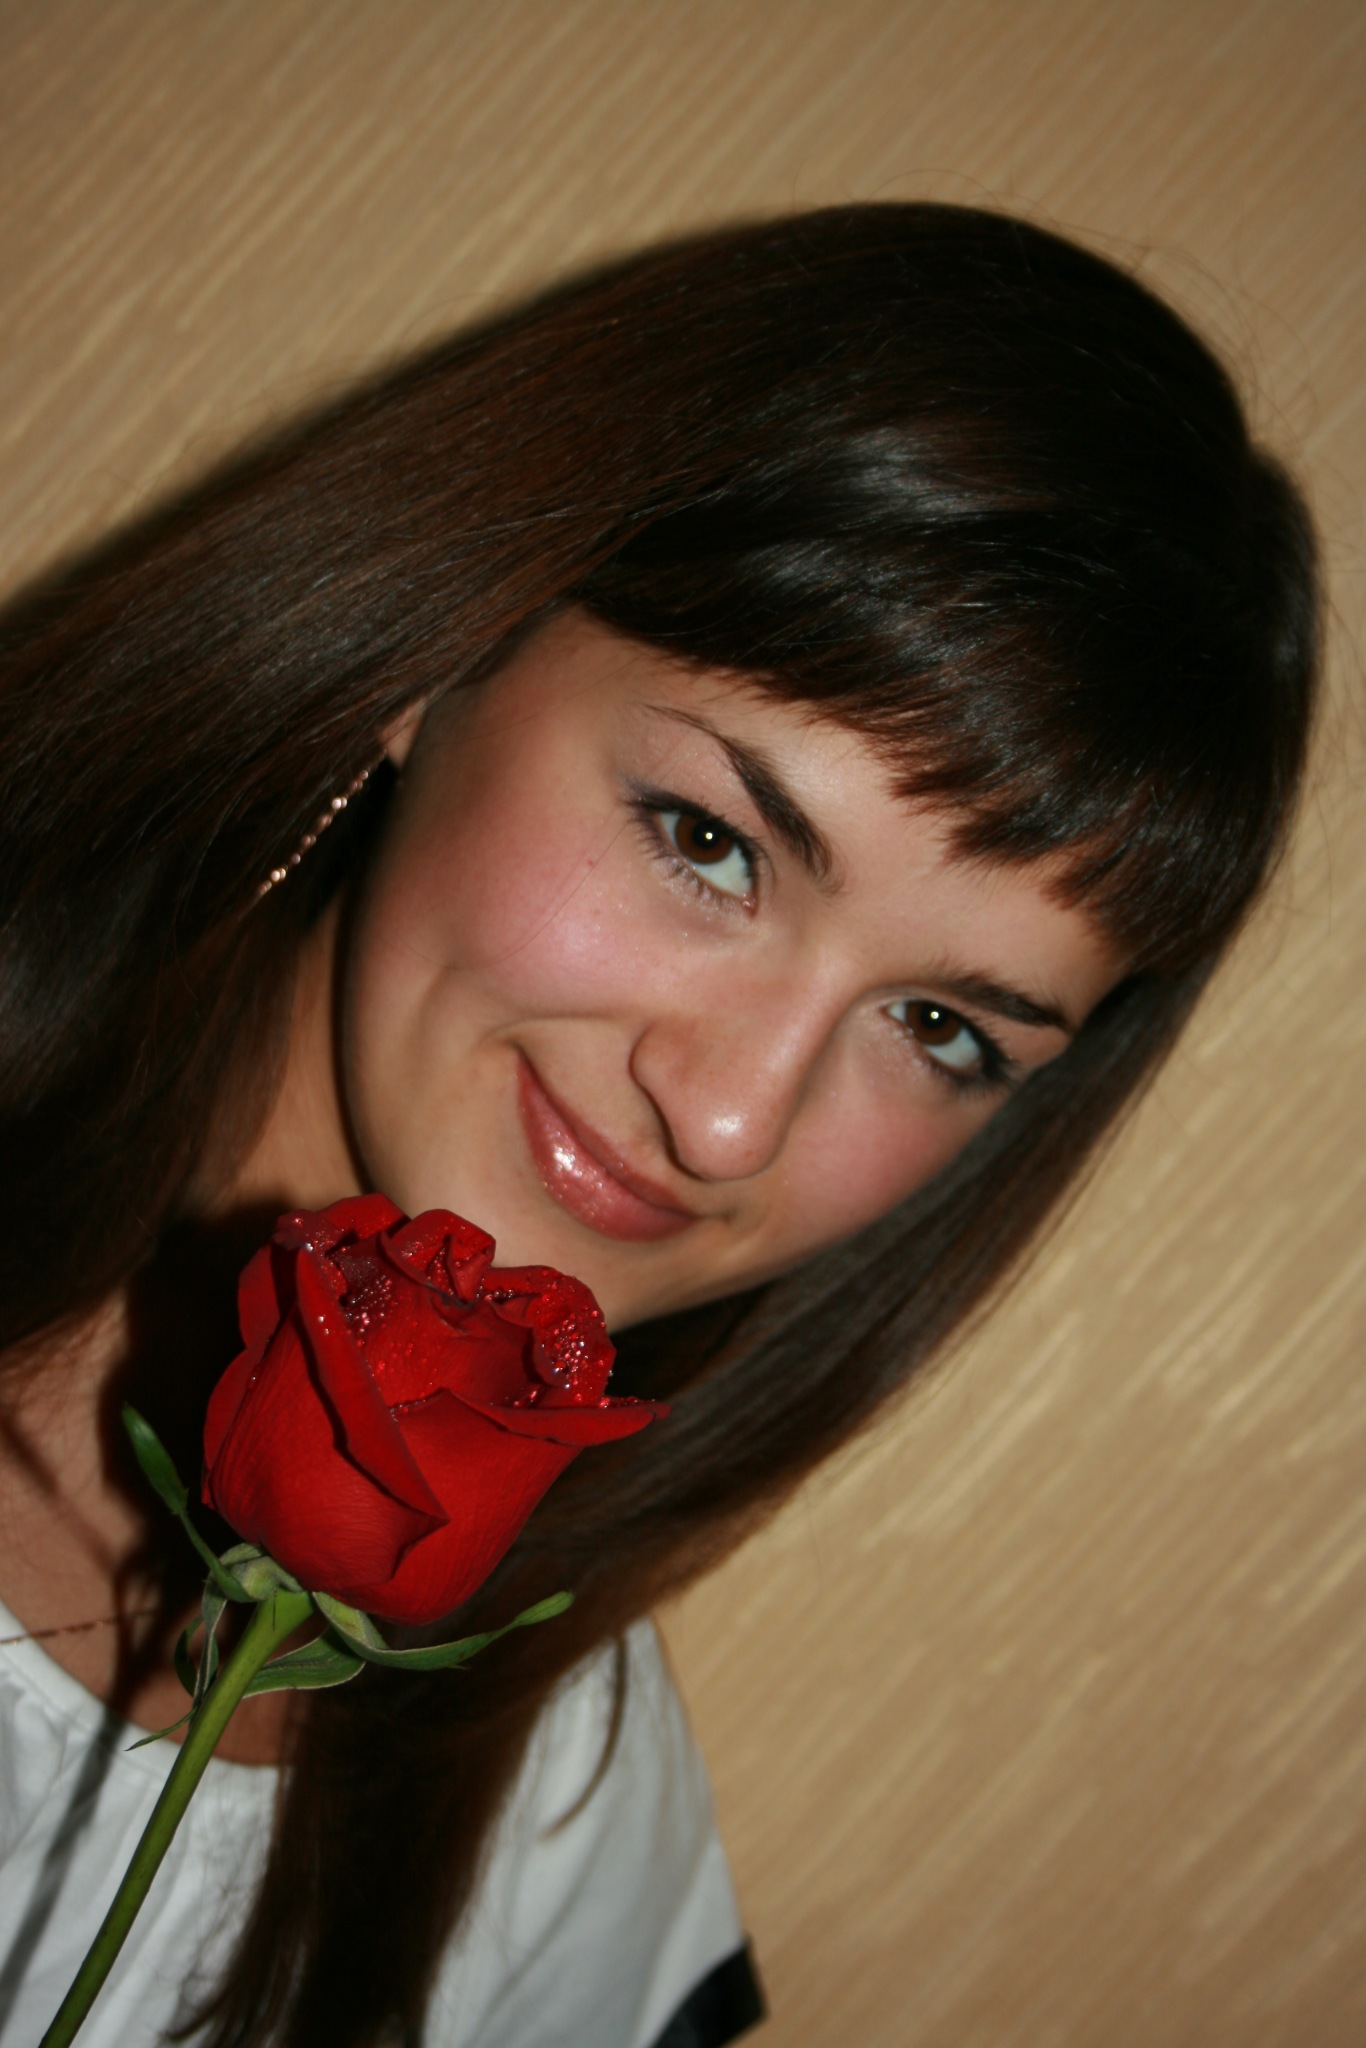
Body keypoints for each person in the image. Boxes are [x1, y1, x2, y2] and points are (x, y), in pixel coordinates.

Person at [0, 203, 1319, 2048]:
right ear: (443, 641)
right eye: (712, 842)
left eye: (939, 1028)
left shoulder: (562, 1845)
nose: (725, 1117)